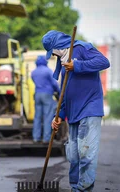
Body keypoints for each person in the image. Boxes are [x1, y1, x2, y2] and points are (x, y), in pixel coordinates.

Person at [42, 30, 110, 191]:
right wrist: (59, 115)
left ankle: (82, 189)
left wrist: (77, 65)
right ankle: (74, 186)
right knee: (73, 154)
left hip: (90, 108)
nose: (54, 56)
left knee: (86, 153)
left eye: (53, 52)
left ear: (58, 46)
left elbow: (103, 62)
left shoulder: (81, 48)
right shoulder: (63, 61)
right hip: (73, 112)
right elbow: (64, 91)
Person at [31, 56, 60, 144]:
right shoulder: (48, 71)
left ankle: (36, 138)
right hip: (47, 94)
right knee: (47, 116)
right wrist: (59, 92)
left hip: (37, 95)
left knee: (37, 117)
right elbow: (54, 83)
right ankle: (46, 139)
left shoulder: (33, 72)